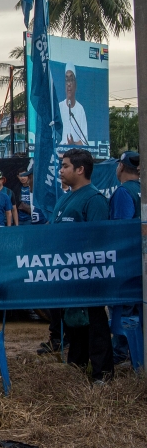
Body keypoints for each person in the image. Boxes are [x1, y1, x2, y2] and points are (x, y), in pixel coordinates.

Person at [52, 148, 112, 383]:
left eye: (65, 166)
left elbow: (98, 241)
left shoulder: (94, 199)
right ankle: (76, 372)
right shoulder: (65, 197)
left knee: (94, 324)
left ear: (80, 169)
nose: (61, 170)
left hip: (89, 276)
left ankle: (102, 375)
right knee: (74, 324)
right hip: (67, 275)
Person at [108, 151, 140, 365]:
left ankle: (121, 353)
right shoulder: (141, 190)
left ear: (120, 166)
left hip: (126, 264)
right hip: (140, 263)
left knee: (123, 310)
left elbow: (121, 231)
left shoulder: (123, 192)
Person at [58, 64, 89, 146]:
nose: (69, 84)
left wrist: (73, 144)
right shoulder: (59, 108)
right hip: (61, 152)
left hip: (76, 152)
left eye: (71, 80)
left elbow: (84, 141)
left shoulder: (80, 109)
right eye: (67, 80)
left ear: (75, 84)